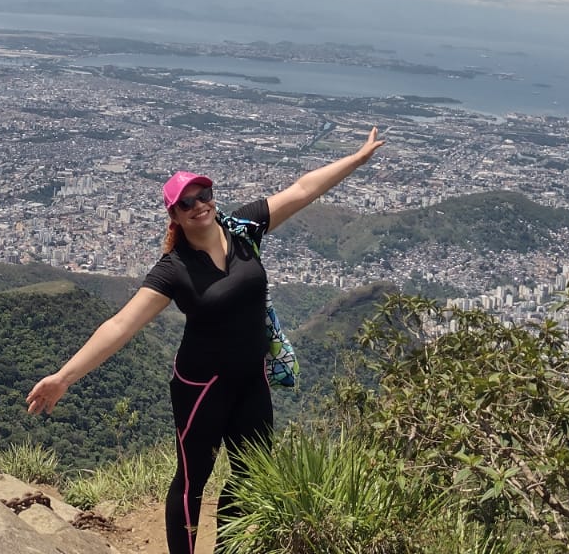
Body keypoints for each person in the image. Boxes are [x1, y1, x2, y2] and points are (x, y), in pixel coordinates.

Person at [26, 125, 387, 554]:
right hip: (201, 386)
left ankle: (228, 548)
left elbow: (303, 190)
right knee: (193, 478)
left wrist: (356, 159)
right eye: (186, 202)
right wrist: (65, 377)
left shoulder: (244, 229)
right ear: (174, 215)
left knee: (252, 469)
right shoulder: (175, 268)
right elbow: (121, 324)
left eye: (204, 195)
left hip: (252, 378)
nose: (199, 205)